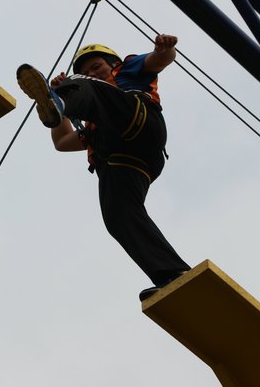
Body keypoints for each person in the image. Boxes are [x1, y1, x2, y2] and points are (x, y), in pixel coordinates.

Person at [16, 34, 190, 301]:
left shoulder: (127, 71)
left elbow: (159, 61)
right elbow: (62, 141)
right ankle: (171, 274)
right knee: (117, 214)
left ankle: (60, 100)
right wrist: (50, 107)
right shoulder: (96, 127)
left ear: (113, 64)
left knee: (84, 86)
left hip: (138, 122)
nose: (91, 72)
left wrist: (165, 49)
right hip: (127, 159)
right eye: (86, 70)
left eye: (97, 66)